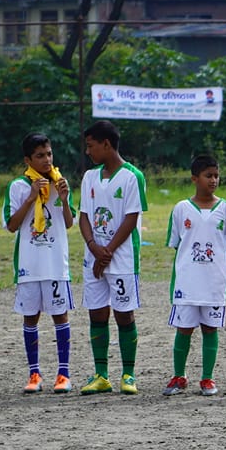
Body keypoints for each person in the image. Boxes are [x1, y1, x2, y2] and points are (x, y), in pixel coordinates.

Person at [78, 120, 147, 395]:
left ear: (106, 144)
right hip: (94, 256)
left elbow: (131, 218)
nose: (88, 151)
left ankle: (128, 374)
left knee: (123, 313)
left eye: (90, 145)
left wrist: (107, 252)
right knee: (97, 313)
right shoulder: (89, 177)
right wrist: (94, 245)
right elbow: (84, 216)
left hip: (122, 258)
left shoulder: (133, 176)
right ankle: (101, 374)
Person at [2, 131, 74, 394]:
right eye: (40, 156)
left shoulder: (60, 183)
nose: (47, 160)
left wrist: (64, 200)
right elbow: (11, 226)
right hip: (29, 265)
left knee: (60, 315)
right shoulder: (18, 187)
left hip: (55, 263)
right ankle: (34, 374)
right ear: (28, 159)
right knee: (30, 317)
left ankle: (63, 374)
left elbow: (68, 222)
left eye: (49, 154)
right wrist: (32, 197)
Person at [163, 154, 226, 397]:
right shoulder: (181, 209)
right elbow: (177, 246)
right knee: (183, 329)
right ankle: (178, 376)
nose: (214, 180)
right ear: (195, 178)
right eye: (209, 176)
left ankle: (207, 378)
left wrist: (217, 269)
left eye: (216, 175)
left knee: (210, 328)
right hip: (187, 283)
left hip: (214, 284)